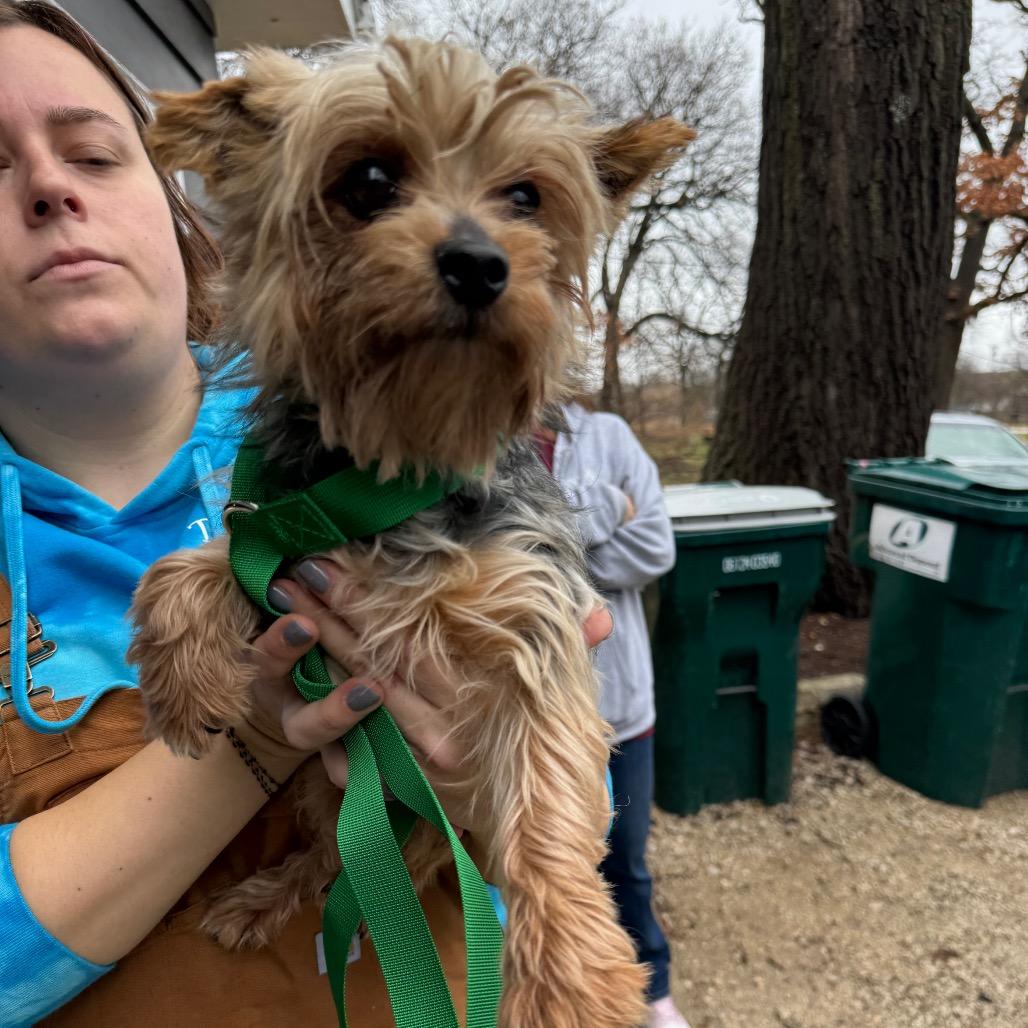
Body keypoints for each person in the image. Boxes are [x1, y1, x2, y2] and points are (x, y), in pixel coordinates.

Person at [0, 4, 611, 1024]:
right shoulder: (286, 485)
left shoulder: (401, 456)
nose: (51, 186)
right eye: (371, 187)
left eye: (97, 153)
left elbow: (561, 774)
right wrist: (260, 739)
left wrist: (495, 785)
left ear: (180, 191)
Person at [535, 401, 691, 1028]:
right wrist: (607, 509)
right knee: (539, 858)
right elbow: (461, 551)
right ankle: (552, 988)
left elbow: (656, 547)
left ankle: (651, 990)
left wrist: (532, 565)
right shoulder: (469, 433)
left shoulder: (609, 435)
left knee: (624, 859)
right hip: (530, 713)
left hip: (620, 706)